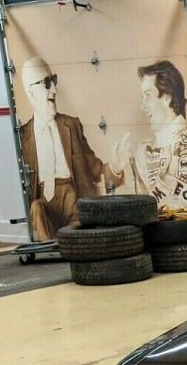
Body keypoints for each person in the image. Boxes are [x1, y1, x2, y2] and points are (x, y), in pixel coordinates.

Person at [18, 57, 127, 241]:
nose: (53, 89)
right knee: (36, 208)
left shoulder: (72, 125)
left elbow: (96, 171)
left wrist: (115, 167)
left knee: (80, 221)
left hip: (72, 196)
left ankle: (71, 246)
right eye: (46, 83)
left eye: (54, 80)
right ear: (31, 92)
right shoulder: (23, 136)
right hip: (45, 199)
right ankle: (53, 250)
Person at [110, 61, 187, 219]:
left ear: (167, 98)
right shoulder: (142, 152)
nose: (143, 105)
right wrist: (117, 170)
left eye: (147, 96)